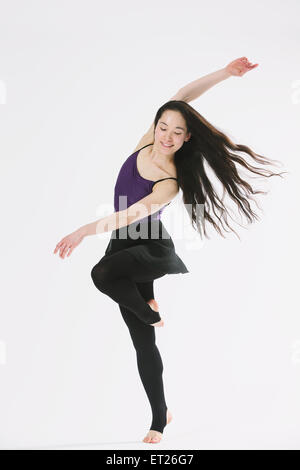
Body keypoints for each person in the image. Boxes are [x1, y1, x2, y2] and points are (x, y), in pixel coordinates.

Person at [53, 57, 286, 444]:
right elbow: (181, 97)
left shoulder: (170, 181)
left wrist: (82, 230)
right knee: (141, 341)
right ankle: (162, 412)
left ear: (186, 138)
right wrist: (225, 74)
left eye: (177, 132)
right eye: (163, 126)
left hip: (152, 245)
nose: (166, 135)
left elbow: (129, 215)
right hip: (123, 245)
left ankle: (151, 322)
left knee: (102, 274)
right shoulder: (147, 141)